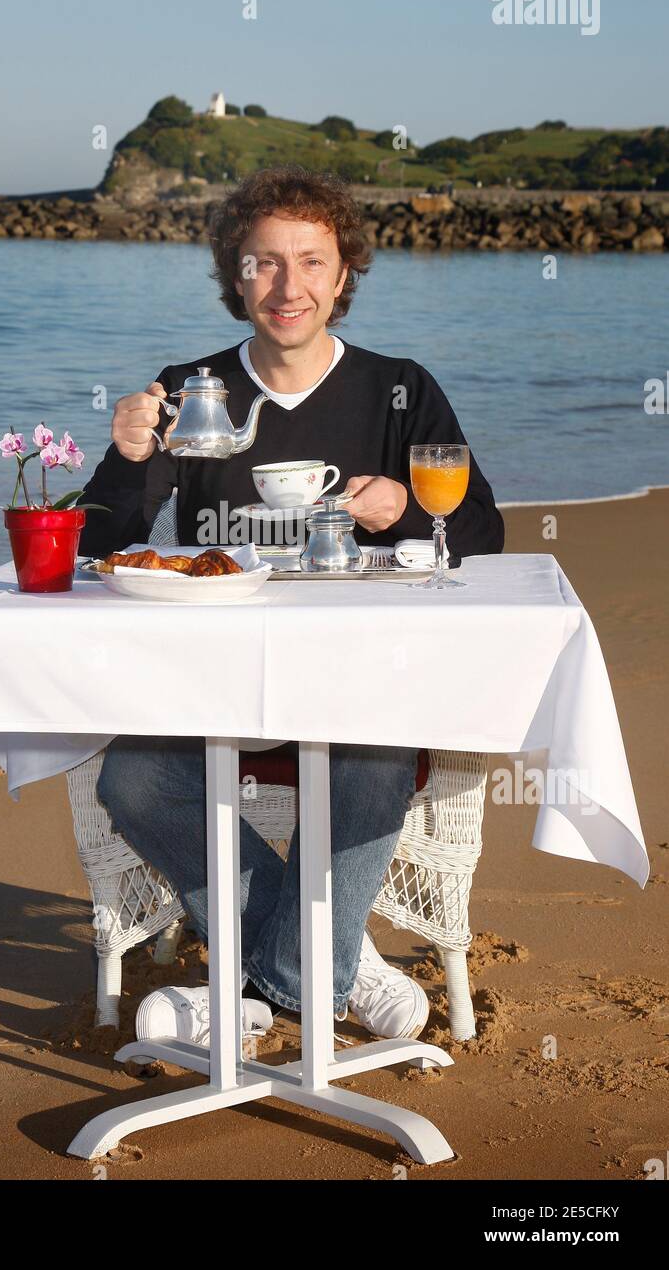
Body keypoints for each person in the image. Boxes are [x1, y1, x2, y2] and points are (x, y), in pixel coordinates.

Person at [79, 164, 504, 1046]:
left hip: (359, 679)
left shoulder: (400, 387)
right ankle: (334, 964)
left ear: (343, 274)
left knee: (373, 762)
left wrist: (411, 510)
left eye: (310, 262)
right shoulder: (193, 388)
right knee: (133, 779)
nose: (288, 286)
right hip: (210, 679)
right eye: (264, 263)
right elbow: (100, 541)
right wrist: (124, 456)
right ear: (235, 276)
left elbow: (483, 531)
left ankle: (264, 988)